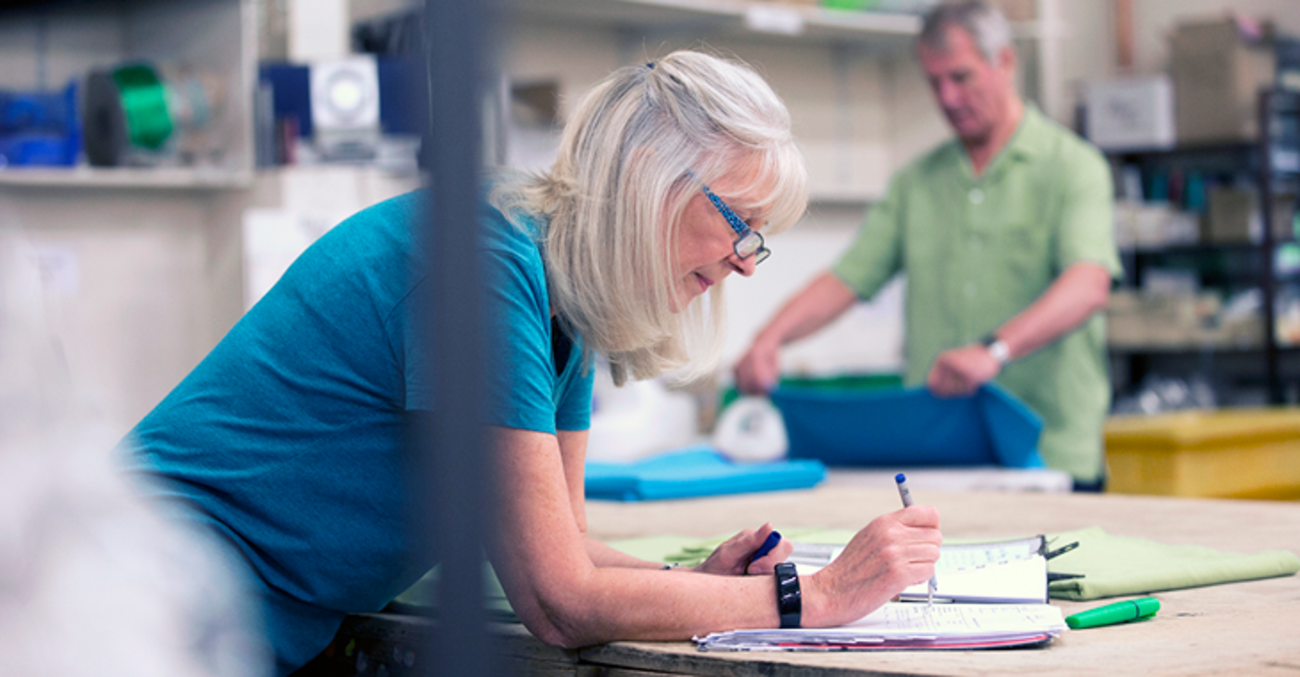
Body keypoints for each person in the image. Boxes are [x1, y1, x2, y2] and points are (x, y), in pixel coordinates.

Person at [119, 50, 942, 675]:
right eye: (743, 224)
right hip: (140, 606)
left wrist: (700, 576)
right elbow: (558, 601)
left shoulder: (565, 286)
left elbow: (563, 547)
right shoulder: (480, 264)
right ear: (653, 180)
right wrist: (815, 597)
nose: (749, 262)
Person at [734, 1, 1122, 491]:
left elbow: (1088, 285)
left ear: (1004, 62)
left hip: (1052, 453)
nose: (948, 97)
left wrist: (993, 351)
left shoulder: (1074, 167)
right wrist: (771, 338)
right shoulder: (916, 183)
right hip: (945, 457)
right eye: (934, 82)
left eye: (961, 77)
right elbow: (849, 277)